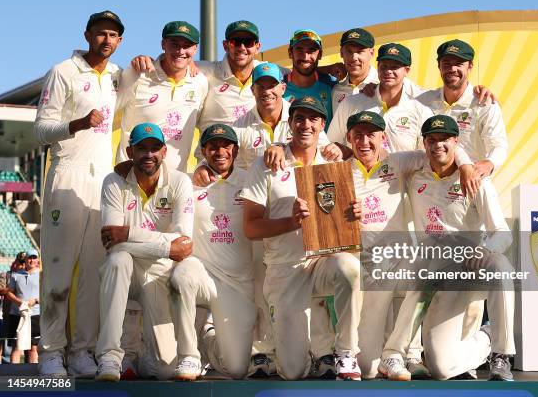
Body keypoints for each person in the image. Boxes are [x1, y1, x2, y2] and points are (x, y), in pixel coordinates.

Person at [379, 114, 515, 381]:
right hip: (437, 270)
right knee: (441, 368)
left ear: (456, 141)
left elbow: (503, 233)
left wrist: (484, 250)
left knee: (501, 266)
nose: (438, 145)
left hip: (470, 264)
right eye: (432, 140)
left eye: (444, 139)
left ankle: (502, 354)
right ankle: (485, 339)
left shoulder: (476, 180)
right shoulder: (415, 178)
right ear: (424, 143)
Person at [241, 96, 362, 380]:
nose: (305, 124)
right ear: (290, 123)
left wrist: (355, 214)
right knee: (292, 372)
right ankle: (312, 350)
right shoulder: (267, 163)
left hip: (322, 262)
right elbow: (251, 228)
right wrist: (290, 222)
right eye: (299, 118)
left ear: (322, 124)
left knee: (350, 268)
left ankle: (345, 352)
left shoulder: (334, 161)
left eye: (313, 118)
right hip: (287, 269)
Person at [34, 10, 124, 378]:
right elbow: (40, 130)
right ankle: (52, 352)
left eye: (114, 35)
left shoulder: (119, 76)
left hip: (102, 181)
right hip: (67, 175)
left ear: (120, 41)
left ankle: (83, 350)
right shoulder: (63, 72)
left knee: (93, 272)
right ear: (87, 35)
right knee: (58, 272)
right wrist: (77, 123)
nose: (106, 40)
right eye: (101, 33)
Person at [95, 123, 194, 381]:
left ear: (164, 152)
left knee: (165, 370)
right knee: (118, 260)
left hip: (158, 275)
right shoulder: (113, 182)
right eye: (141, 149)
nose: (148, 155)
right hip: (128, 268)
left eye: (154, 148)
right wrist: (165, 246)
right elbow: (112, 242)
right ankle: (109, 357)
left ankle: (138, 356)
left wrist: (128, 233)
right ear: (130, 151)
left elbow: (183, 243)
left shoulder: (181, 181)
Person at [170, 124, 257, 380]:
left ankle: (207, 338)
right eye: (213, 146)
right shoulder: (187, 181)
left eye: (226, 145)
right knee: (182, 275)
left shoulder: (250, 180)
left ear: (236, 150)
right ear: (203, 151)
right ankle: (189, 356)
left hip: (237, 283)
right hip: (202, 271)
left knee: (237, 369)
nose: (220, 151)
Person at [116, 21, 208, 172]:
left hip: (174, 182)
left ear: (195, 49)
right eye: (175, 44)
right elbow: (107, 110)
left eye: (187, 45)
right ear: (163, 44)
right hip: (132, 177)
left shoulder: (200, 82)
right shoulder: (138, 73)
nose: (180, 50)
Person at [417, 39, 508, 179]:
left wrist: (489, 164)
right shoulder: (423, 101)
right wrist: (372, 87)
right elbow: (396, 85)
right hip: (429, 186)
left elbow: (498, 145)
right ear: (439, 66)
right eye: (447, 64)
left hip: (469, 184)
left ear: (470, 66)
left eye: (459, 64)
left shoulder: (485, 104)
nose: (452, 69)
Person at [328, 43, 434, 153]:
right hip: (358, 170)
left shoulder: (421, 110)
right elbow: (331, 143)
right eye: (384, 66)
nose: (388, 71)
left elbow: (426, 156)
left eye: (395, 67)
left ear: (406, 70)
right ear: (377, 67)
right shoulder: (351, 103)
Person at [331, 28, 424, 113]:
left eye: (360, 52)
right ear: (341, 53)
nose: (354, 57)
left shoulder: (389, 82)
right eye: (349, 51)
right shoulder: (335, 90)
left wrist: (381, 87)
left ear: (371, 53)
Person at [283, 29, 336, 124]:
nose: (305, 57)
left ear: (320, 55)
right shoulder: (278, 87)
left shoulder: (332, 84)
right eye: (300, 49)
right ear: (290, 53)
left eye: (311, 51)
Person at [4, 249, 41, 363]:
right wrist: (18, 301)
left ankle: (33, 374)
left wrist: (36, 300)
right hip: (17, 314)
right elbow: (9, 292)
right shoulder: (15, 275)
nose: (31, 260)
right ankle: (12, 375)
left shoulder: (42, 274)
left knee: (33, 348)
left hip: (35, 314)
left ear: (37, 260)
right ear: (25, 259)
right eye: (29, 257)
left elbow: (46, 294)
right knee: (16, 346)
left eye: (34, 257)